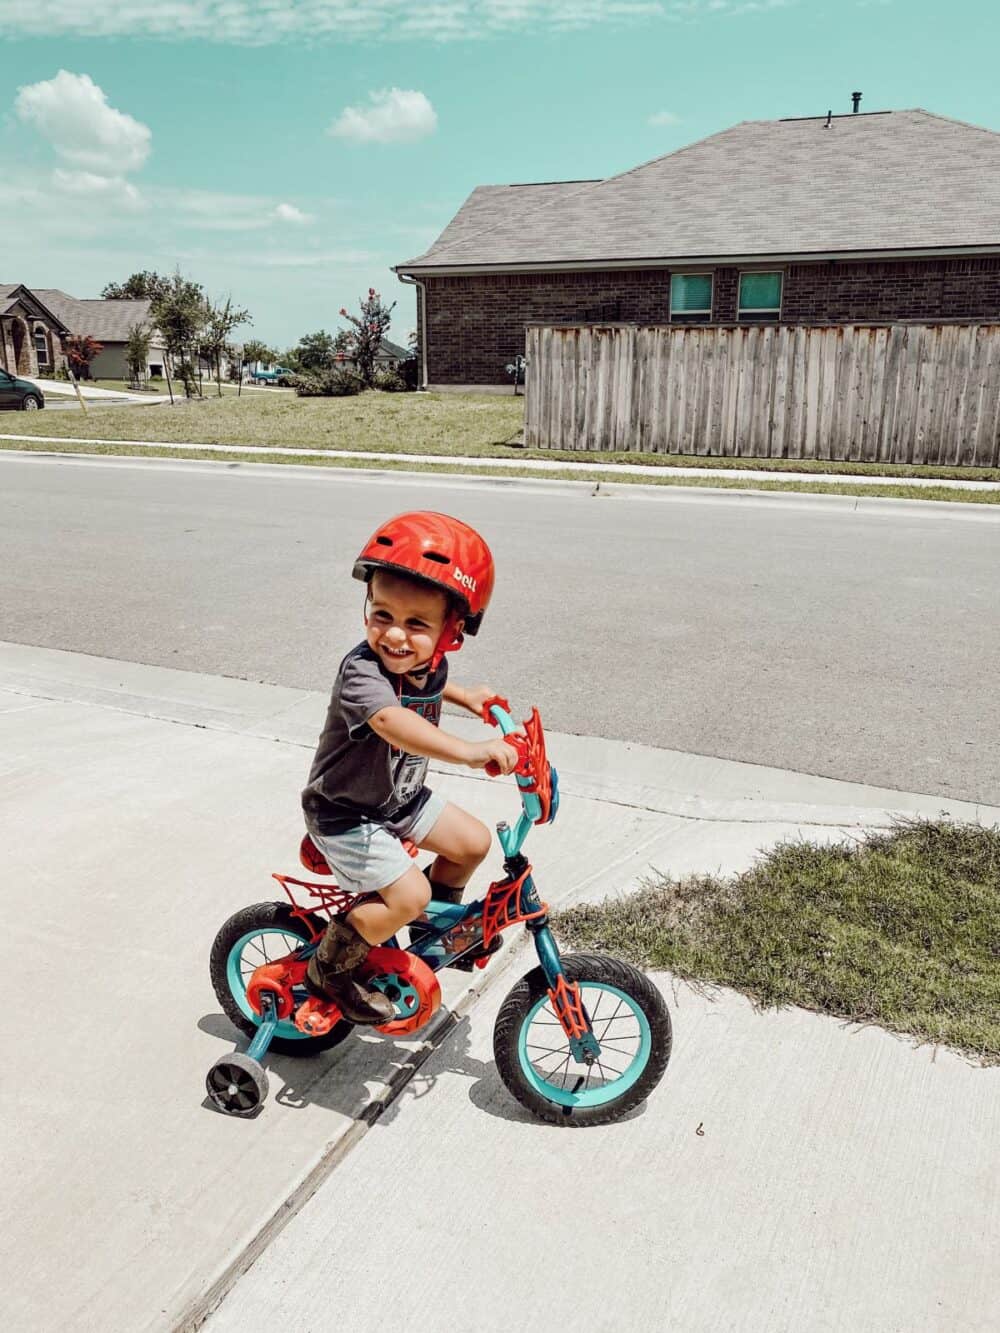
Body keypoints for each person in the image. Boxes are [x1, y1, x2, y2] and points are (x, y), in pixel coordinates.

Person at [300, 511, 520, 1024]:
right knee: (409, 892)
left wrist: (468, 696)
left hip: (397, 800)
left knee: (473, 842)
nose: (395, 636)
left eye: (416, 624)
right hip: (346, 814)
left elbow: (433, 680)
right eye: (382, 614)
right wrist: (468, 749)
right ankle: (329, 970)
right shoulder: (362, 673)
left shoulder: (430, 662)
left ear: (451, 632)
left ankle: (429, 938)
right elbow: (395, 721)